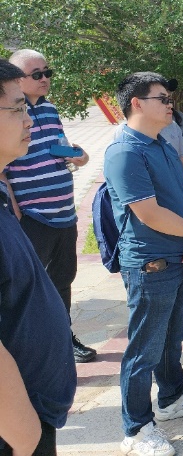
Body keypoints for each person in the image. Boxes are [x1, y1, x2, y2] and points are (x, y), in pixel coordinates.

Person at [103, 72, 183, 456]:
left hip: (181, 257)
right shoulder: (125, 151)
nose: (171, 105)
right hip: (150, 264)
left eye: (171, 98)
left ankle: (172, 397)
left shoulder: (162, 143)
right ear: (136, 103)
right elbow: (148, 213)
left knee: (172, 338)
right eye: (163, 99)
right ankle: (136, 429)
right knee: (144, 350)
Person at [0, 59, 76, 456]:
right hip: (17, 432)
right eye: (17, 109)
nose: (28, 119)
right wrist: (26, 436)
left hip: (31, 411)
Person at [2, 49, 96, 363]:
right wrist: (16, 213)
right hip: (33, 217)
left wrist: (78, 155)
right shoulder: (9, 115)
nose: (44, 79)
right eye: (36, 74)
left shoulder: (50, 109)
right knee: (26, 287)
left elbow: (62, 147)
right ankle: (25, 351)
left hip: (64, 213)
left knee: (62, 280)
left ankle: (64, 338)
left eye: (47, 73)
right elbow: (5, 170)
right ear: (16, 79)